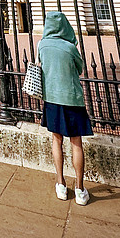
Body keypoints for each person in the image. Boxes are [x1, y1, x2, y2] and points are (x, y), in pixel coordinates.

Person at [38, 11, 92, 205]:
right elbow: (80, 68)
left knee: (56, 140)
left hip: (51, 98)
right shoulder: (70, 47)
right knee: (76, 142)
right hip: (72, 99)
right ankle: (80, 189)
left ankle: (61, 184)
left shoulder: (42, 45)